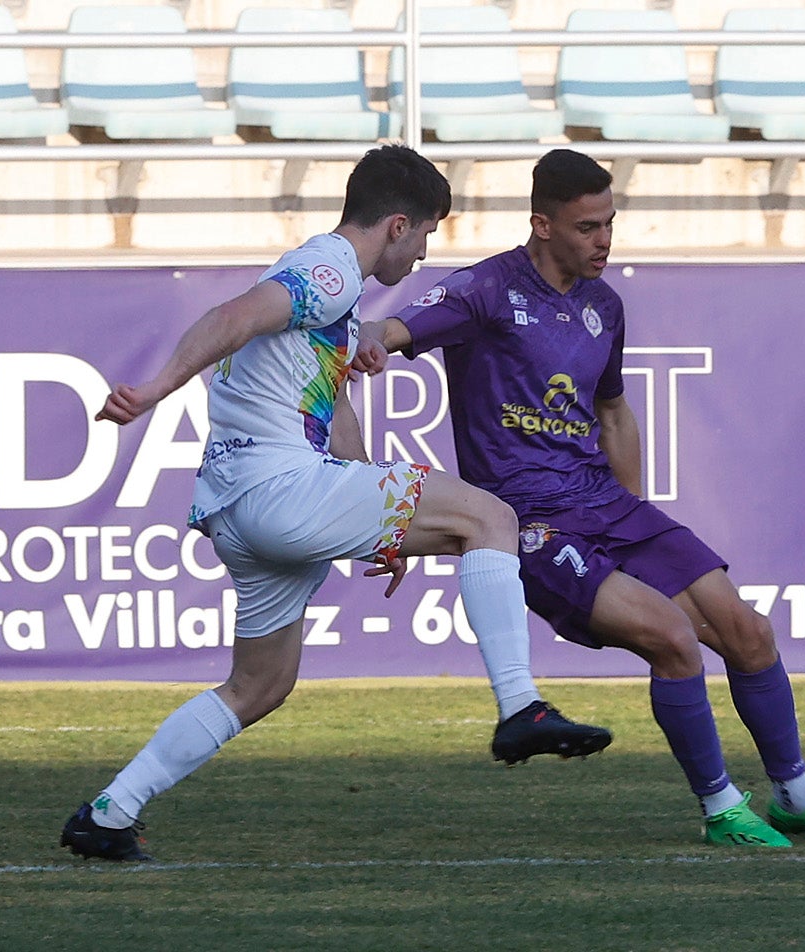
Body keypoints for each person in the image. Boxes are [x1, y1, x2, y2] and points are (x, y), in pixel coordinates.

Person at [59, 145, 611, 863]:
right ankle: (519, 708)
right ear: (396, 225)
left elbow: (332, 407)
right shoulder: (327, 270)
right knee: (490, 517)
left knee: (259, 686)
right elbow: (235, 314)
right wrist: (156, 389)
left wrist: (381, 527)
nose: (422, 254)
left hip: (240, 508)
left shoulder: (336, 298)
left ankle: (109, 812)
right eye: (425, 235)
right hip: (280, 490)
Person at [361, 148, 805, 848]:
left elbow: (612, 414)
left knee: (749, 632)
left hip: (608, 507)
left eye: (609, 223)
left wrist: (635, 517)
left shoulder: (603, 306)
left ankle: (795, 794)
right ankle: (721, 809)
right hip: (530, 523)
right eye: (587, 227)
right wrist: (367, 340)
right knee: (675, 641)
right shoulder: (485, 290)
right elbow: (391, 329)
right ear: (542, 225)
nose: (604, 240)